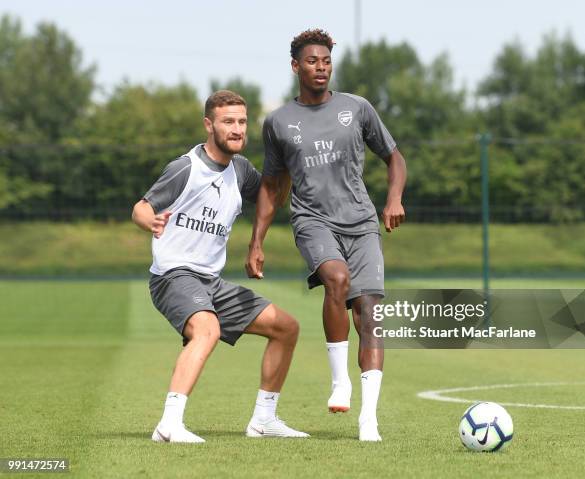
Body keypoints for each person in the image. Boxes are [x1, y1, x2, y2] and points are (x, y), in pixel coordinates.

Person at [246, 29, 407, 442]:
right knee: (336, 279)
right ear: (296, 66)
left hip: (361, 222)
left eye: (326, 61)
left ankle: (368, 419)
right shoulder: (279, 122)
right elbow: (270, 185)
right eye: (313, 61)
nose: (321, 68)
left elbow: (394, 158)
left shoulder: (357, 108)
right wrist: (257, 241)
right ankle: (340, 383)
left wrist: (393, 199)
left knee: (368, 315)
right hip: (313, 220)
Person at [132, 90, 309, 443]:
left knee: (286, 328)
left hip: (211, 283)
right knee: (207, 329)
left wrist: (288, 157)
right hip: (174, 276)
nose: (237, 128)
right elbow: (140, 206)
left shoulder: (240, 170)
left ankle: (263, 420)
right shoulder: (186, 168)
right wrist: (150, 222)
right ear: (209, 125)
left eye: (242, 122)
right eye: (229, 121)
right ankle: (169, 425)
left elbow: (272, 195)